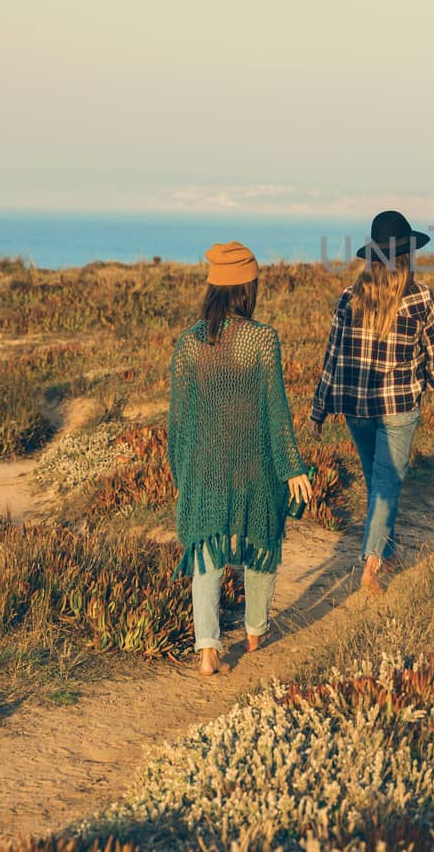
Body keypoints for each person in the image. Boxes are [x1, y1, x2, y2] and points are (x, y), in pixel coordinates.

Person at [308, 211, 434, 593]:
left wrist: (319, 412)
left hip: (356, 408)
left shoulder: (348, 299)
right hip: (399, 408)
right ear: (407, 257)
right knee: (385, 485)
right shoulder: (420, 297)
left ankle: (385, 554)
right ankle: (371, 566)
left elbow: (332, 360)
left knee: (380, 483)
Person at [167, 241, 313, 676]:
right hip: (255, 464)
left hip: (204, 465)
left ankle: (208, 650)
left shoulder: (187, 344)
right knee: (261, 542)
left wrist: (182, 475)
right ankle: (254, 631)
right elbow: (275, 410)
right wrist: (292, 468)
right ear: (247, 289)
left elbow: (178, 420)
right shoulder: (262, 339)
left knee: (208, 551)